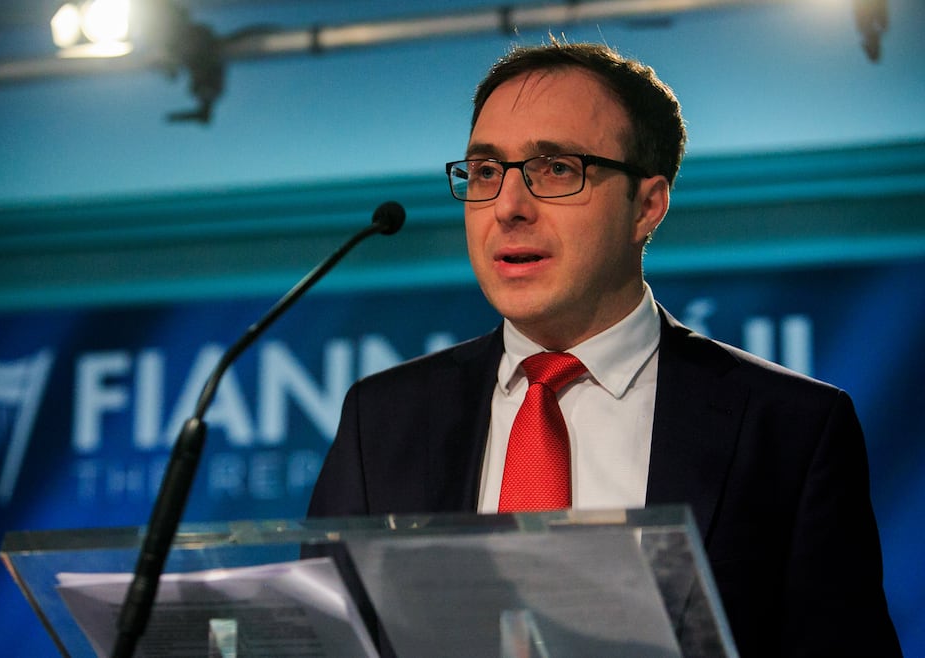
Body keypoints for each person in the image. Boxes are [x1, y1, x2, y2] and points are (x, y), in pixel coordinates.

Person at [307, 40, 901, 656]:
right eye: (486, 171)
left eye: (556, 169)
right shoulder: (381, 420)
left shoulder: (789, 430)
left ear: (647, 205)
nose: (508, 207)